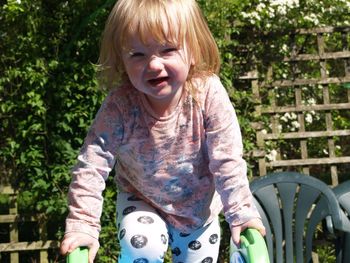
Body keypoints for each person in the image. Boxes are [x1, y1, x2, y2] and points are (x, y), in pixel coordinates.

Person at [60, 0, 265, 262]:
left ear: (193, 51)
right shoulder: (120, 105)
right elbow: (92, 164)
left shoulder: (208, 94)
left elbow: (227, 160)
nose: (154, 65)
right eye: (137, 54)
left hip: (198, 209)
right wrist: (83, 225)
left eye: (168, 49)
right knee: (142, 243)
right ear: (122, 61)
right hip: (141, 200)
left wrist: (241, 212)